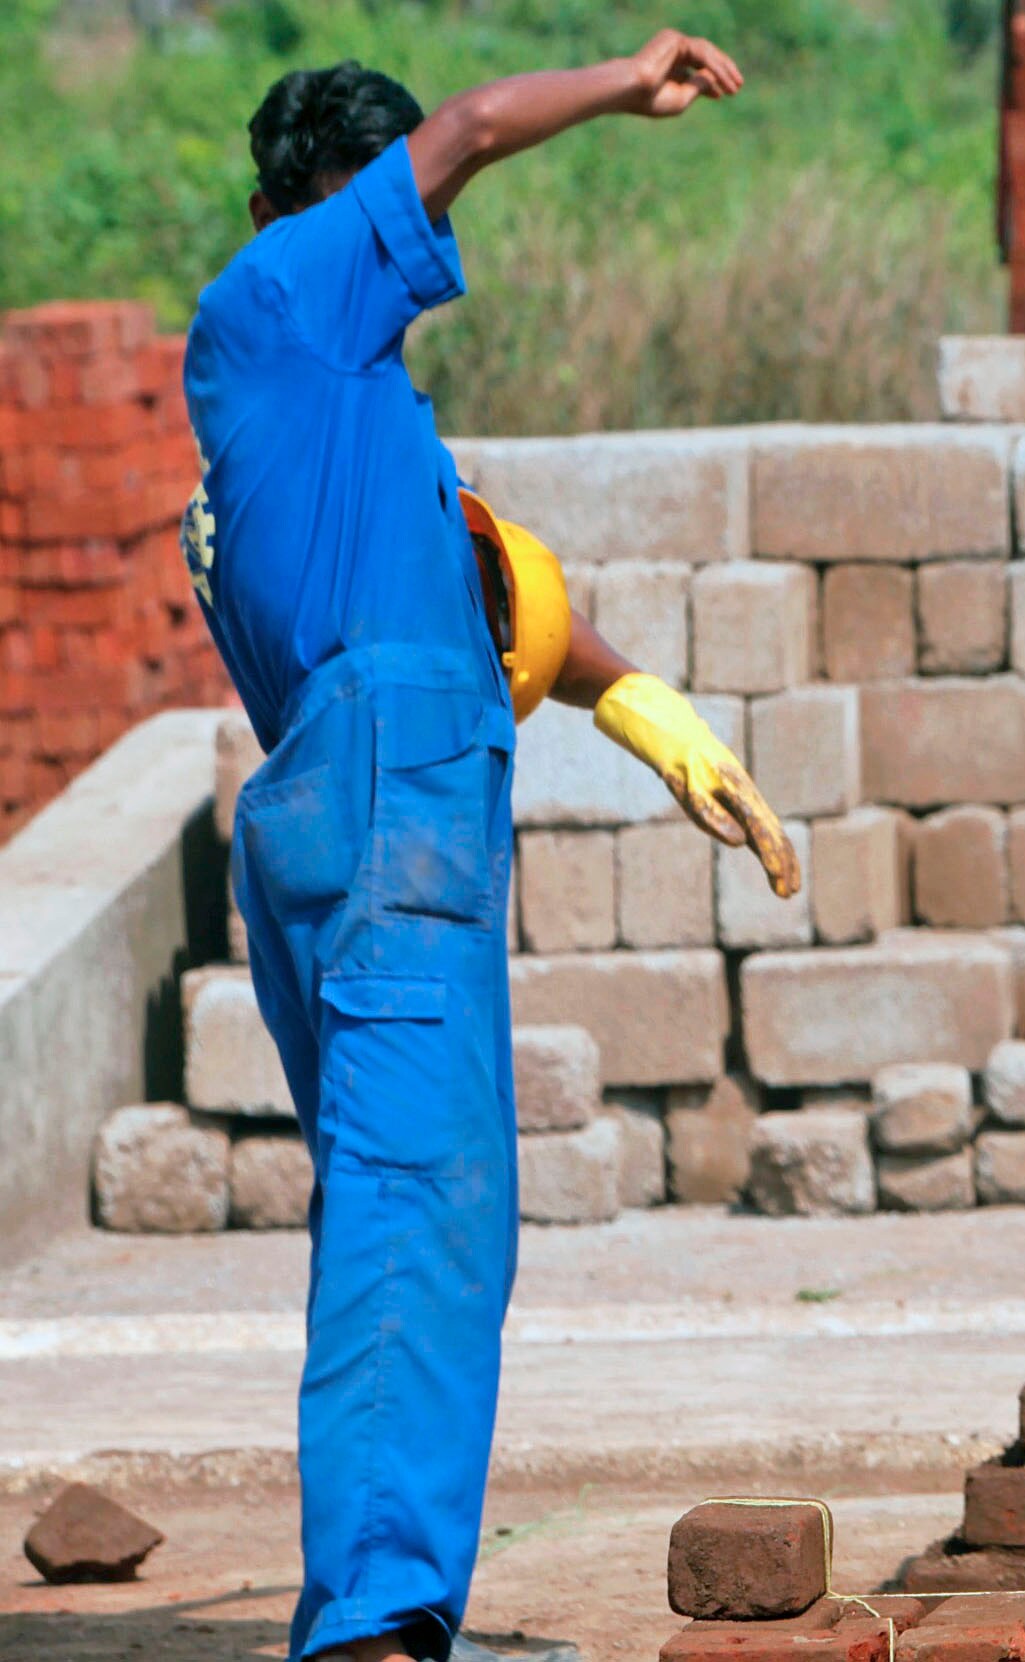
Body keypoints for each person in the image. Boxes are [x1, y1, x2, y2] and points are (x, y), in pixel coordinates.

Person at [182, 35, 797, 1662]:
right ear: (288, 210)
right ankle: (375, 1620)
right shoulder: (282, 298)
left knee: (419, 1198)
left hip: (370, 800)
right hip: (390, 796)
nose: (404, 234)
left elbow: (497, 595)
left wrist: (648, 711)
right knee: (420, 1202)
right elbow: (461, 131)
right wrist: (624, 80)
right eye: (370, 202)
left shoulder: (351, 406)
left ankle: (371, 1597)